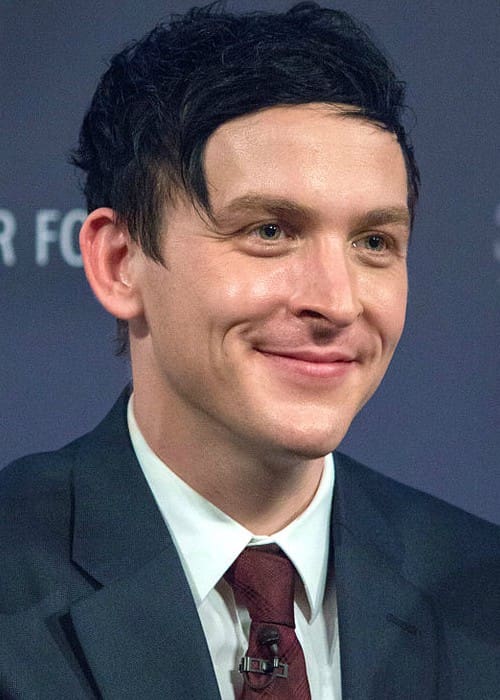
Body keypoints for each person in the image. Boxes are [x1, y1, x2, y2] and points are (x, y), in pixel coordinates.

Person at [0, 3, 499, 698]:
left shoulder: (484, 593)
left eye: (374, 242)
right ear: (120, 262)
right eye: (269, 231)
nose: (338, 300)